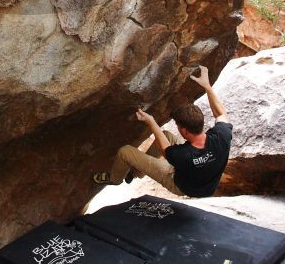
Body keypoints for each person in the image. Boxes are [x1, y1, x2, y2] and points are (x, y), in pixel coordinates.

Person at [92, 65, 233, 198]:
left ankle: (115, 179)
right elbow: (221, 113)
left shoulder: (181, 155)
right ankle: (136, 172)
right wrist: (207, 86)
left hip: (183, 185)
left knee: (125, 151)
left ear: (184, 131)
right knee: (166, 136)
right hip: (207, 182)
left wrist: (151, 121)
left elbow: (165, 149)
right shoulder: (222, 136)